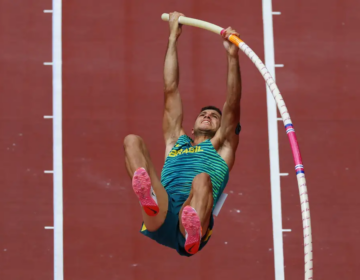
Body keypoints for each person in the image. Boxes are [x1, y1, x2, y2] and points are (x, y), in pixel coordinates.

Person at [123, 11, 242, 257]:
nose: (208, 116)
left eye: (214, 117)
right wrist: (173, 38)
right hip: (162, 212)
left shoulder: (223, 148)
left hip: (193, 219)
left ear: (222, 128)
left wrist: (232, 57)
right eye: (204, 114)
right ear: (192, 125)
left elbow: (232, 103)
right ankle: (149, 199)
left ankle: (192, 231)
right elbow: (171, 88)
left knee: (202, 179)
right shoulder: (175, 141)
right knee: (132, 141)